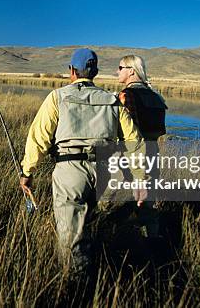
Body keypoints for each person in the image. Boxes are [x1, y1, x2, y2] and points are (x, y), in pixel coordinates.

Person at [19, 48, 141, 276]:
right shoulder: (112, 100)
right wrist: (140, 179)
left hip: (70, 172)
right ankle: (100, 271)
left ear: (72, 70)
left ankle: (75, 284)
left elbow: (38, 137)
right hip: (104, 173)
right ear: (94, 72)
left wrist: (27, 171)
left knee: (71, 238)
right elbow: (135, 141)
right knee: (93, 226)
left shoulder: (58, 97)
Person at [116, 55, 167, 237]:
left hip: (131, 153)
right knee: (149, 202)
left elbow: (121, 130)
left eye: (120, 67)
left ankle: (130, 242)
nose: (117, 71)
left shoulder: (126, 96)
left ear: (131, 71)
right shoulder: (156, 97)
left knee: (127, 200)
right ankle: (152, 241)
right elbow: (160, 130)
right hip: (153, 151)